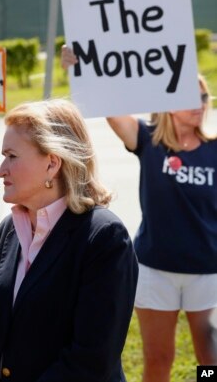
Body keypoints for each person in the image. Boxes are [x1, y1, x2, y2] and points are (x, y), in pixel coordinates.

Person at [62, 46, 217, 381]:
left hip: (207, 272)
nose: (199, 104)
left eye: (203, 97)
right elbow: (110, 109)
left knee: (210, 360)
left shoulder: (214, 149)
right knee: (158, 359)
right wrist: (80, 68)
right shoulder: (148, 140)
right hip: (155, 270)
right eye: (191, 96)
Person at [0, 99, 138, 382]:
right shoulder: (10, 228)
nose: (0, 170)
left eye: (11, 156)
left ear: (52, 163)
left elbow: (92, 360)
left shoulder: (104, 237)